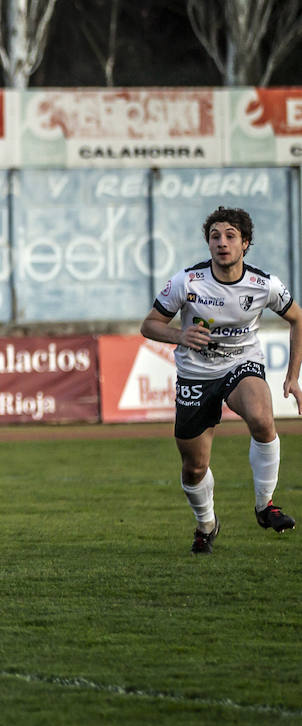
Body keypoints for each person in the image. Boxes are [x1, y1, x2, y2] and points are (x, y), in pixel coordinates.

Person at [139, 206, 302, 554]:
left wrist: (292, 377)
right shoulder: (187, 282)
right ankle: (206, 525)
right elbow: (149, 324)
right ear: (208, 243)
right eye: (215, 236)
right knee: (194, 467)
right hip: (195, 376)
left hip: (241, 364)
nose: (222, 243)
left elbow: (297, 319)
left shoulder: (264, 285)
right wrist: (180, 336)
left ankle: (265, 506)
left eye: (230, 236)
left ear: (245, 243)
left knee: (261, 417)